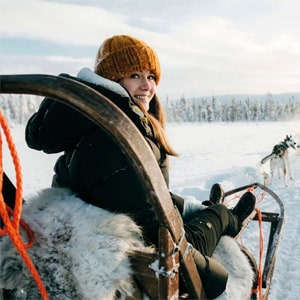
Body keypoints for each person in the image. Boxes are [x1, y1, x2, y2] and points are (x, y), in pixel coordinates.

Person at [25, 34, 256, 298]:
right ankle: (228, 218)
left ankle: (208, 210)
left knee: (188, 206)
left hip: (110, 216)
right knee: (220, 217)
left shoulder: (98, 122)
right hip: (146, 254)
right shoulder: (115, 141)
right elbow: (161, 239)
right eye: (135, 75)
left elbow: (135, 193)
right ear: (113, 79)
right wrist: (217, 217)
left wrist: (189, 211)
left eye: (151, 76)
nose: (147, 86)